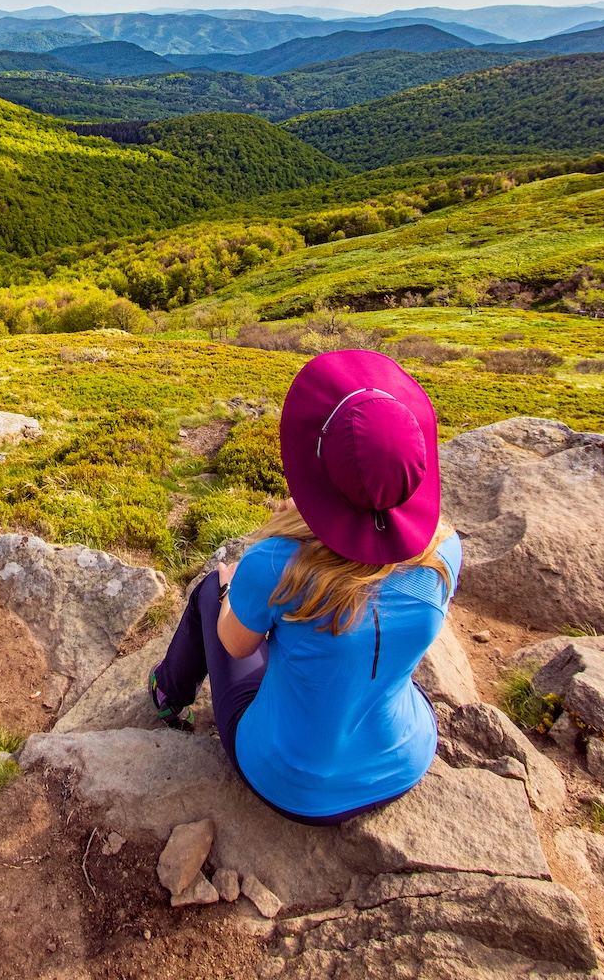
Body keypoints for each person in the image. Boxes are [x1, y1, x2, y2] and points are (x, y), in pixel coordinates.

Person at [149, 349, 462, 825]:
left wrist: (241, 582)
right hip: (404, 761)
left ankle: (168, 696)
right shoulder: (445, 553)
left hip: (290, 782)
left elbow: (235, 645)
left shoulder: (277, 565)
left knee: (212, 590)